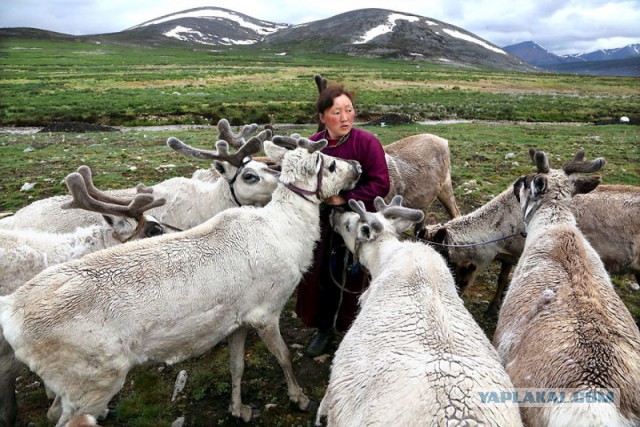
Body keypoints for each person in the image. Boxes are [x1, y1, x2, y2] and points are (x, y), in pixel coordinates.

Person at [295, 82, 390, 356]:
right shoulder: (312, 147)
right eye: (337, 112)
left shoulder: (366, 143)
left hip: (356, 220)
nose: (345, 117)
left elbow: (381, 184)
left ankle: (353, 330)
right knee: (319, 275)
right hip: (321, 224)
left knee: (354, 278)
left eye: (349, 110)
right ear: (322, 116)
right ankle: (323, 329)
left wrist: (345, 199)